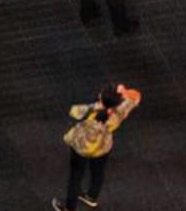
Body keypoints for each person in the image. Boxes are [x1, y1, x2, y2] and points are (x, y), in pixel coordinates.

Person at [58, 83, 142, 211]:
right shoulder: (120, 111)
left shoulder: (90, 110)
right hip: (102, 148)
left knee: (75, 176)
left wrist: (96, 104)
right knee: (98, 173)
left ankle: (69, 208)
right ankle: (91, 197)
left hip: (81, 147)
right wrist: (124, 92)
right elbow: (136, 96)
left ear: (100, 97)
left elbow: (73, 111)